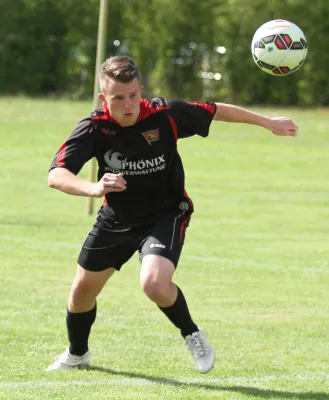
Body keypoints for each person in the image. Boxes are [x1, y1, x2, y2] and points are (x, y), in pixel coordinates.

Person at [46, 55, 297, 373]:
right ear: (103, 98)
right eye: (118, 98)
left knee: (153, 283)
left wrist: (268, 122)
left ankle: (192, 333)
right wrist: (94, 188)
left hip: (166, 213)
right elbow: (57, 175)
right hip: (118, 218)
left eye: (134, 95)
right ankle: (78, 353)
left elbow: (216, 110)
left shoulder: (164, 114)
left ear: (141, 90)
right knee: (82, 291)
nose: (128, 105)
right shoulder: (94, 128)